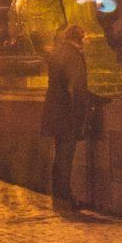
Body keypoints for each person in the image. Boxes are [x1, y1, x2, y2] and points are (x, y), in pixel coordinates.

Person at [42, 23, 92, 204]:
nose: (86, 40)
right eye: (84, 37)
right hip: (66, 113)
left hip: (54, 111)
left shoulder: (57, 53)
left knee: (59, 154)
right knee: (66, 155)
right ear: (78, 38)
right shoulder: (73, 55)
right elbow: (77, 87)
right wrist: (81, 110)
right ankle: (65, 197)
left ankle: (58, 194)